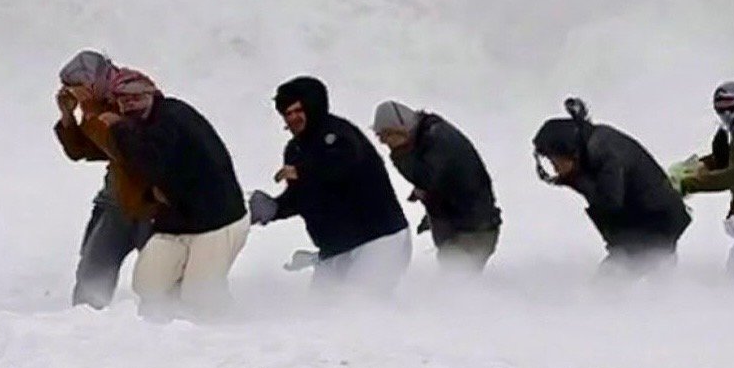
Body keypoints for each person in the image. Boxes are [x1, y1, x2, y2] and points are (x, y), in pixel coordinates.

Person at [103, 69, 249, 318]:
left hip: (218, 220)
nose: (130, 104)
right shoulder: (144, 124)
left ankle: (229, 327)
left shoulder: (171, 117)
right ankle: (166, 327)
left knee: (200, 295)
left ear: (152, 94)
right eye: (124, 100)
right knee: (148, 283)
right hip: (177, 220)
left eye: (136, 97)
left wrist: (118, 129)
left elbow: (148, 159)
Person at [250, 77, 410, 294]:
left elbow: (342, 165)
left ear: (313, 108)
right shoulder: (295, 150)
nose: (293, 118)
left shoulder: (339, 136)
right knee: (321, 308)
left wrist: (302, 171)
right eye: (287, 114)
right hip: (336, 249)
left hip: (379, 241)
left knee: (362, 305)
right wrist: (274, 208)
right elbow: (303, 196)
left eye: (298, 111)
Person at [533, 98, 691, 274]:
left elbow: (610, 202)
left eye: (555, 162)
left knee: (610, 283)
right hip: (650, 225)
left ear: (571, 152)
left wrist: (576, 181)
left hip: (655, 226)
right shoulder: (593, 144)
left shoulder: (604, 154)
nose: (555, 168)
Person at [54, 50, 155, 308]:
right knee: (93, 273)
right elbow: (82, 151)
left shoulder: (131, 93)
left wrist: (90, 112)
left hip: (150, 201)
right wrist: (68, 117)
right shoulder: (100, 102)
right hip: (118, 199)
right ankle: (87, 323)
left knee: (159, 277)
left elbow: (122, 148)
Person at [372, 101, 501, 271]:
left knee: (456, 282)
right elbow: (443, 182)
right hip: (469, 228)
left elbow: (427, 179)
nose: (386, 144)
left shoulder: (436, 139)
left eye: (387, 136)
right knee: (455, 280)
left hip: (472, 232)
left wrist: (400, 155)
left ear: (400, 129)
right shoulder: (429, 135)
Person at [678, 82, 734, 283]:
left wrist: (689, 184)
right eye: (720, 107)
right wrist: (695, 166)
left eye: (730, 105)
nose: (726, 112)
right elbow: (726, 161)